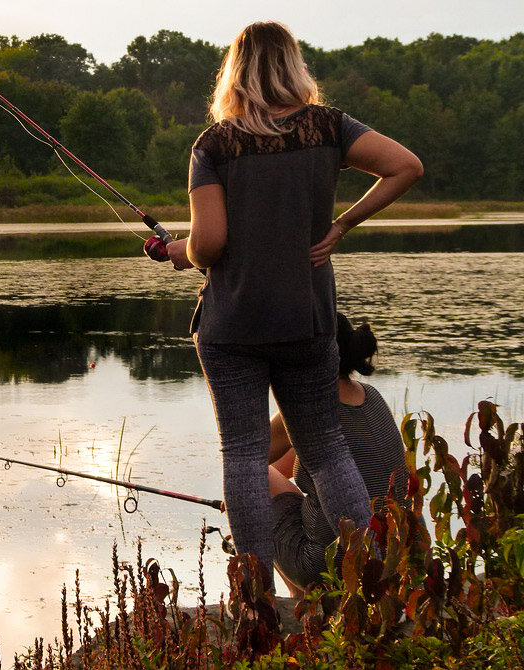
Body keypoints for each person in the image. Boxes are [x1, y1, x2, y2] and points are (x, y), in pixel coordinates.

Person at [149, 21, 423, 583]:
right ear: (293, 66)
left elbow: (210, 244)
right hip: (308, 319)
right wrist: (343, 224)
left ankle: (254, 598)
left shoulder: (214, 144)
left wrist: (180, 251)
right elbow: (406, 166)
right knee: (325, 450)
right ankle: (368, 580)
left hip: (233, 325)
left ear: (235, 72)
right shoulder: (329, 127)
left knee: (244, 456)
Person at [269, 314, 409, 596]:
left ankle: (299, 596)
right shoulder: (372, 396)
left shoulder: (306, 407)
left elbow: (247, 458)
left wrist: (241, 505)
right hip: (392, 556)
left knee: (248, 478)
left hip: (327, 565)